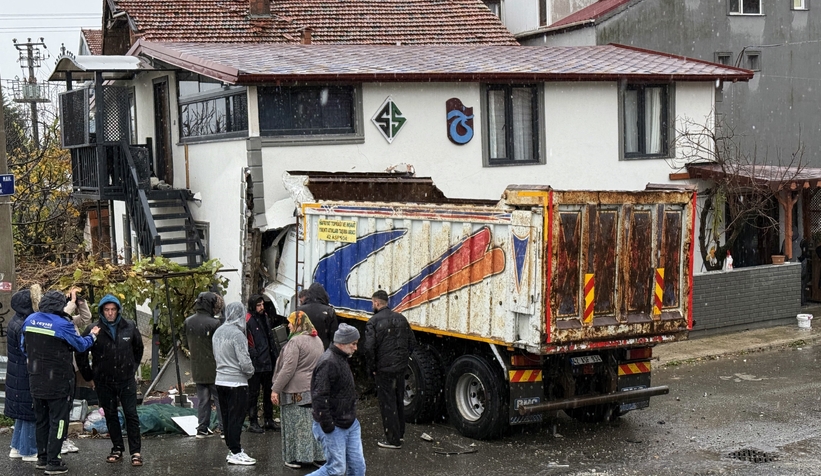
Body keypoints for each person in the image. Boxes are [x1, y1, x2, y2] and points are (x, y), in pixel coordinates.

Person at [21, 290, 99, 475]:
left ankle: (42, 457)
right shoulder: (63, 324)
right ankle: (54, 462)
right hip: (58, 381)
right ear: (59, 306)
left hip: (36, 379)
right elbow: (80, 345)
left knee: (41, 420)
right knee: (59, 421)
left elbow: (24, 347)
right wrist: (93, 336)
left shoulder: (30, 320)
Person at [76, 294, 144, 467]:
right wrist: (89, 376)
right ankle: (117, 448)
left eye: (113, 309)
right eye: (106, 310)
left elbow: (138, 349)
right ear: (101, 311)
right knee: (111, 414)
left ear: (118, 310)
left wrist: (132, 367)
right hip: (104, 380)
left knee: (131, 414)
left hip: (126, 379)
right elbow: (81, 352)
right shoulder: (94, 328)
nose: (110, 313)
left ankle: (136, 452)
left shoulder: (129, 326)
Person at [307, 323, 366, 476]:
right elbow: (319, 397)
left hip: (349, 423)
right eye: (353, 344)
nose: (355, 348)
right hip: (334, 425)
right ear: (342, 343)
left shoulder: (340, 358)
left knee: (358, 468)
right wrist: (328, 425)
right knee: (336, 469)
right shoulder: (328, 362)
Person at [271, 311, 325, 469]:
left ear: (299, 323)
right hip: (313, 389)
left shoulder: (295, 342)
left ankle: (296, 458)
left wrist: (276, 389)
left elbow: (288, 369)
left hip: (295, 391)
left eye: (290, 322)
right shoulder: (317, 340)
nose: (288, 325)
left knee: (295, 425)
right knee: (312, 424)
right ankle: (318, 456)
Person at [364, 289, 417, 450]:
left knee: (388, 403)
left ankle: (392, 440)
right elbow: (412, 343)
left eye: (373, 303)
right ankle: (399, 433)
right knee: (398, 400)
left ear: (376, 303)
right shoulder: (401, 319)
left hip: (384, 369)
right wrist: (402, 359)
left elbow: (368, 348)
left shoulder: (373, 322)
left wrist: (373, 368)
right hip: (400, 368)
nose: (372, 305)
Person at [213, 302, 257, 465]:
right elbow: (244, 361)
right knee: (236, 419)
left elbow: (215, 355)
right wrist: (251, 371)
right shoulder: (238, 334)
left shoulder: (218, 332)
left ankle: (232, 449)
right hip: (237, 382)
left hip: (220, 380)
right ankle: (236, 451)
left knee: (227, 417)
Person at [182, 292, 225, 438]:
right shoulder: (215, 323)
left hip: (197, 366)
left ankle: (202, 428)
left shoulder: (188, 322)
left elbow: (185, 343)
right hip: (214, 367)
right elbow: (219, 346)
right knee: (219, 399)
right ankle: (224, 428)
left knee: (203, 399)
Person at [5, 289, 38, 462]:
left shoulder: (14, 321)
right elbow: (28, 352)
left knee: (21, 413)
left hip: (16, 374)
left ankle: (16, 446)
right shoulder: (25, 324)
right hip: (25, 375)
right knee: (29, 411)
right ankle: (29, 450)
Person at [61, 286, 92, 456]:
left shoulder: (71, 321)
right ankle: (60, 440)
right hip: (61, 369)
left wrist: (79, 301)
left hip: (71, 368)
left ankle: (63, 438)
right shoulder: (60, 322)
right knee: (61, 407)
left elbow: (86, 317)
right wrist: (71, 302)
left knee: (68, 404)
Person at [245, 294, 278, 433]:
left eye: (262, 305)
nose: (261, 307)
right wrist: (254, 354)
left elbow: (269, 337)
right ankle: (253, 421)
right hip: (256, 362)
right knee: (253, 393)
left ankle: (268, 419)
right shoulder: (248, 319)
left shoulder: (264, 317)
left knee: (268, 391)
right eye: (258, 305)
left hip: (267, 359)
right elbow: (247, 340)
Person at [298, 283, 339, 350]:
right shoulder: (329, 311)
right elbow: (334, 336)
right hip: (322, 349)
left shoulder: (299, 310)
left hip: (303, 349)